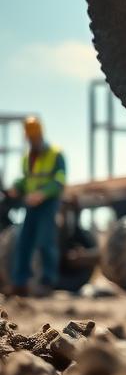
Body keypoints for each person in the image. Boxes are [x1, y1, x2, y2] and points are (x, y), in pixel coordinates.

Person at [5, 117, 66, 296]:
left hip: (48, 204)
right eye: (30, 138)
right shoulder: (27, 158)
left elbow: (60, 181)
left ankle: (47, 283)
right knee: (24, 242)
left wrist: (42, 194)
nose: (32, 141)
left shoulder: (55, 154)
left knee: (45, 242)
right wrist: (17, 187)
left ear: (40, 135)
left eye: (34, 137)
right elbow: (27, 180)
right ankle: (20, 283)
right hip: (31, 205)